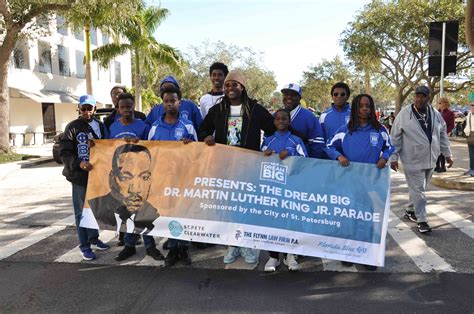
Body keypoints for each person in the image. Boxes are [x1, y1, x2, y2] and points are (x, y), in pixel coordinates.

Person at [198, 69, 276, 264]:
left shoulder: (254, 108)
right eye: (227, 85)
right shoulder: (218, 110)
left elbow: (273, 130)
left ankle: (246, 244)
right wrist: (206, 137)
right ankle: (232, 245)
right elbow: (204, 129)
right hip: (225, 166)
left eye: (234, 84)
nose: (230, 88)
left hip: (248, 166)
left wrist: (267, 147)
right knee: (229, 207)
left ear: (242, 87)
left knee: (245, 206)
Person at [326, 94, 394, 271]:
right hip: (349, 181)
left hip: (370, 182)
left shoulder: (380, 130)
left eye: (368, 106)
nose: (364, 109)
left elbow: (390, 146)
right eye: (361, 106)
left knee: (367, 217)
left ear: (372, 109)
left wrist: (384, 157)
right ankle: (348, 252)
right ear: (355, 108)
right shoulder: (345, 130)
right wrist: (338, 156)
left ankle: (367, 255)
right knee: (349, 217)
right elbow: (329, 146)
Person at [389, 86, 453, 234]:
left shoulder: (436, 114)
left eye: (423, 96)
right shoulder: (404, 114)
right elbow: (395, 137)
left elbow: (442, 134)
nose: (419, 99)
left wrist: (447, 154)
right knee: (419, 190)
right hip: (411, 159)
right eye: (417, 96)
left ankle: (410, 210)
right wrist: (393, 157)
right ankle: (422, 220)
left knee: (418, 189)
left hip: (431, 159)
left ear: (428, 98)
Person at [88, 143, 165, 262]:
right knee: (127, 211)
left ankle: (150, 247)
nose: (135, 189)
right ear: (112, 179)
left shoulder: (157, 211)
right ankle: (129, 246)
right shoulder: (96, 208)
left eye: (144, 177)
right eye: (126, 177)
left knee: (142, 214)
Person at [148, 86, 196, 266]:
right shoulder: (154, 127)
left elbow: (198, 153)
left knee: (183, 213)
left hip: (182, 178)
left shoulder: (188, 126)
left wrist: (189, 144)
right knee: (167, 213)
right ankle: (173, 248)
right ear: (163, 103)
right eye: (166, 101)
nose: (169, 104)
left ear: (179, 102)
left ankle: (184, 248)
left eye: (173, 101)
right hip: (163, 178)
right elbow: (149, 152)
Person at [59, 95, 110, 261]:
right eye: (84, 109)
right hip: (79, 177)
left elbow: (108, 146)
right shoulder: (72, 127)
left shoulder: (100, 126)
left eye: (90, 108)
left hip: (97, 175)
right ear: (79, 109)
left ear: (95, 109)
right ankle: (84, 246)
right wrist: (79, 162)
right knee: (81, 211)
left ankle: (94, 238)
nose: (87, 112)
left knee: (94, 209)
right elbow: (65, 153)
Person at [261, 109, 307, 272]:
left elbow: (306, 162)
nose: (281, 121)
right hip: (273, 190)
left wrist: (291, 154)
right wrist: (264, 155)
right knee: (272, 221)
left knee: (291, 221)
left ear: (289, 121)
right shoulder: (268, 141)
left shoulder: (296, 141)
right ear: (274, 122)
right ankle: (274, 256)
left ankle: (290, 255)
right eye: (277, 118)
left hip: (291, 189)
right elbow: (258, 162)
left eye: (284, 118)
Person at [280, 83, 325, 158]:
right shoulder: (276, 115)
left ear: (299, 98)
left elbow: (317, 143)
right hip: (278, 163)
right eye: (286, 94)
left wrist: (312, 163)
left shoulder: (309, 117)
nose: (289, 97)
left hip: (301, 163)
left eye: (293, 95)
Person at [435, 97, 455, 172]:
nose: (438, 104)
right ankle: (437, 165)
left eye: (440, 103)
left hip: (443, 133)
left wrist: (446, 132)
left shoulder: (450, 113)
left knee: (443, 149)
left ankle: (442, 167)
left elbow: (452, 125)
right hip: (436, 133)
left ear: (445, 103)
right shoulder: (437, 112)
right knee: (436, 149)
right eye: (438, 103)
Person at [463, 103, 474, 177]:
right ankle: (472, 169)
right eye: (472, 107)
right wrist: (466, 132)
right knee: (471, 155)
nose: (472, 109)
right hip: (470, 135)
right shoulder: (469, 114)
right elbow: (467, 125)